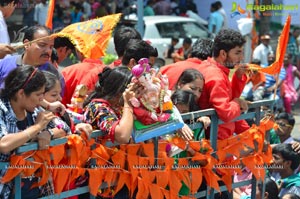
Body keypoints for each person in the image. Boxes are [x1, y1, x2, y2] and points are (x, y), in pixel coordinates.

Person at [0, 66, 70, 199]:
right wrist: (36, 128)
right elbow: (3, 144)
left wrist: (48, 133)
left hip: (36, 190)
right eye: (38, 95)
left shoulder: (34, 111)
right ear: (21, 93)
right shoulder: (2, 109)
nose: (41, 100)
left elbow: (64, 128)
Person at [197, 29, 249, 140]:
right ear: (223, 53)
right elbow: (226, 113)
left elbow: (229, 98)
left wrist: (238, 77)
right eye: (237, 53)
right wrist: (237, 103)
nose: (241, 58)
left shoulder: (209, 66)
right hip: (217, 140)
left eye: (242, 52)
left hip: (218, 134)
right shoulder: (216, 75)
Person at [0, 25, 65, 114]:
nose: (48, 51)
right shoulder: (4, 64)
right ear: (27, 44)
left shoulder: (53, 75)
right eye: (42, 45)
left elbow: (56, 106)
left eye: (51, 47)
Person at [83, 66, 135, 144]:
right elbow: (122, 136)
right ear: (119, 91)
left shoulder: (118, 106)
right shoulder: (98, 107)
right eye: (132, 89)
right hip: (99, 155)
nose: (134, 93)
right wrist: (128, 103)